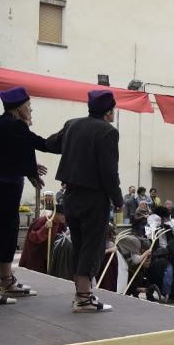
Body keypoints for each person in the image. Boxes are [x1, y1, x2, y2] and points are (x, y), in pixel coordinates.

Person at [0, 87, 56, 304]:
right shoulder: (15, 126)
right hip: (3, 189)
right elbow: (37, 143)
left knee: (9, 235)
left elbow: (6, 155)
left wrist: (28, 169)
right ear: (20, 108)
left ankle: (6, 281)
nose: (31, 110)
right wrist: (67, 138)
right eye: (29, 106)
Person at [46, 90, 123, 312]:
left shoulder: (72, 125)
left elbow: (51, 144)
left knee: (78, 245)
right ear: (108, 111)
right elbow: (109, 172)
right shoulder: (108, 132)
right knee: (92, 246)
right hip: (94, 198)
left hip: (70, 195)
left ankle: (81, 294)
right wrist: (118, 199)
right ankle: (83, 297)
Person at [19, 206, 68, 275]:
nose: (65, 217)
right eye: (64, 215)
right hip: (36, 258)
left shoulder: (62, 224)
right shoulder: (41, 221)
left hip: (49, 258)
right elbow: (33, 238)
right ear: (56, 214)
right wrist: (45, 228)